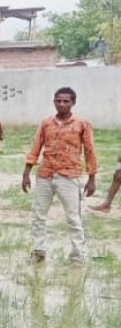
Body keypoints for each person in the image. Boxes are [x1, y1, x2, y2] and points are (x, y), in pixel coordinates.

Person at [22, 87, 97, 264]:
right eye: (58, 101)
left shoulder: (81, 124)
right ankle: (38, 251)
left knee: (73, 217)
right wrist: (27, 172)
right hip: (45, 174)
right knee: (39, 215)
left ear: (73, 103)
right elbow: (36, 147)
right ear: (54, 101)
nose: (62, 104)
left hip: (69, 176)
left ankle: (77, 256)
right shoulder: (46, 123)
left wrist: (92, 177)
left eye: (66, 101)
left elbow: (90, 150)